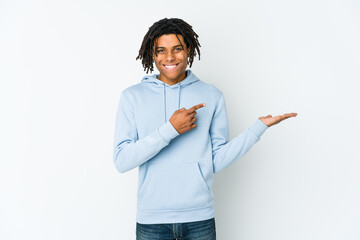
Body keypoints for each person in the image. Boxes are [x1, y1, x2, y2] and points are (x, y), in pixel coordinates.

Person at [113, 18, 297, 240]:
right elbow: (122, 161)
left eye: (177, 49)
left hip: (199, 219)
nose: (169, 57)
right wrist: (170, 129)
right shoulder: (132, 97)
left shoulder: (211, 96)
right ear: (152, 54)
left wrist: (256, 129)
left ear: (188, 50)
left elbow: (216, 161)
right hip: (152, 221)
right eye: (161, 50)